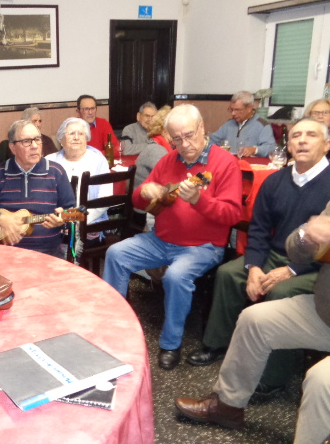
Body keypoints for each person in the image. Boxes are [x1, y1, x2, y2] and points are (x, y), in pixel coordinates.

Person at [187, 118, 330, 394]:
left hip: (316, 267)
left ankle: (273, 377)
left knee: (281, 292)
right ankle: (217, 344)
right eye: (296, 135)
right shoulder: (275, 181)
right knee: (229, 274)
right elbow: (259, 229)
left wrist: (292, 270)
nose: (302, 140)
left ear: (326, 145)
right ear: (288, 146)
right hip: (275, 254)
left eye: (311, 135)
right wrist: (254, 267)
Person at [102, 104, 243, 370]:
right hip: (161, 239)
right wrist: (144, 192)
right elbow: (138, 200)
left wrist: (200, 200)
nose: (184, 144)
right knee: (116, 253)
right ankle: (114, 328)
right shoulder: (168, 160)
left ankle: (170, 343)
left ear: (202, 128)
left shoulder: (225, 163)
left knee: (176, 276)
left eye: (189, 135)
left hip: (203, 246)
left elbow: (233, 214)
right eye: (177, 138)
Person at [175, 204, 330, 443]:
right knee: (254, 320)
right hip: (324, 310)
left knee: (322, 382)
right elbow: (296, 250)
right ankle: (227, 408)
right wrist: (306, 236)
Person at [0, 119, 75, 257]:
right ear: (13, 148)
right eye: (27, 141)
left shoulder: (56, 172)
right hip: (5, 253)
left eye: (37, 139)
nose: (34, 146)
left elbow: (72, 213)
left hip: (47, 253)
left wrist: (62, 221)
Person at [46, 117, 111, 257]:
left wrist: (77, 220)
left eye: (81, 134)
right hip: (55, 220)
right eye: (71, 133)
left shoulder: (97, 160)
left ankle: (65, 261)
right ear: (61, 139)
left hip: (89, 222)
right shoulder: (49, 161)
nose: (76, 137)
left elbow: (104, 200)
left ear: (86, 139)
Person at [133, 105, 173, 230]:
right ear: (164, 129)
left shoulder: (160, 144)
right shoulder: (156, 150)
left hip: (153, 207)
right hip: (144, 213)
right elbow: (171, 181)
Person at [209, 90, 276, 157]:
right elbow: (212, 140)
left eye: (237, 110)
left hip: (250, 162)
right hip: (230, 161)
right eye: (231, 109)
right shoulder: (229, 124)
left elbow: (271, 148)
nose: (233, 113)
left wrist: (255, 149)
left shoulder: (262, 125)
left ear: (249, 108)